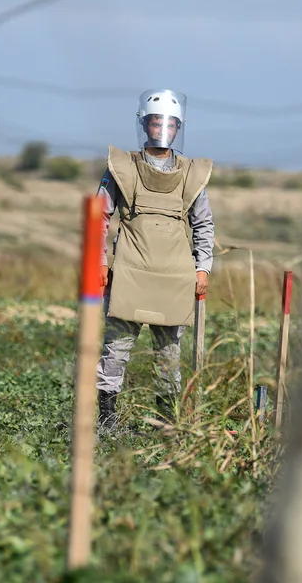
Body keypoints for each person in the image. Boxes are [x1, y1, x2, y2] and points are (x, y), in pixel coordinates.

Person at [94, 88, 214, 434]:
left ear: (178, 128)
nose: (162, 128)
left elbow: (203, 223)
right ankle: (107, 422)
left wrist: (202, 267)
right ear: (144, 124)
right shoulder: (122, 168)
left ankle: (166, 426)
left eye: (169, 123)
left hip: (174, 277)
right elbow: (99, 217)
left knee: (169, 355)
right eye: (156, 121)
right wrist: (101, 262)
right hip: (129, 273)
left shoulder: (192, 174)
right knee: (115, 350)